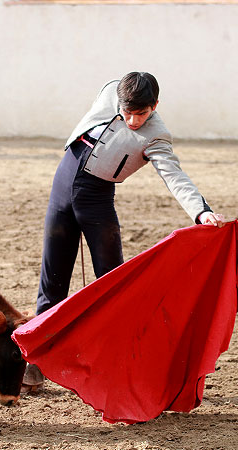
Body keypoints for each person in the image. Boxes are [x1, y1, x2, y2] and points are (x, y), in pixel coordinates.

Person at [22, 72, 225, 393]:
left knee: (113, 281)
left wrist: (201, 211)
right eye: (127, 111)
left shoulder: (157, 135)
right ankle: (34, 360)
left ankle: (118, 362)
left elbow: (174, 175)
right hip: (62, 185)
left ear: (155, 106)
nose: (132, 120)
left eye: (141, 114)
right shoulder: (109, 90)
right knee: (53, 275)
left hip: (97, 200)